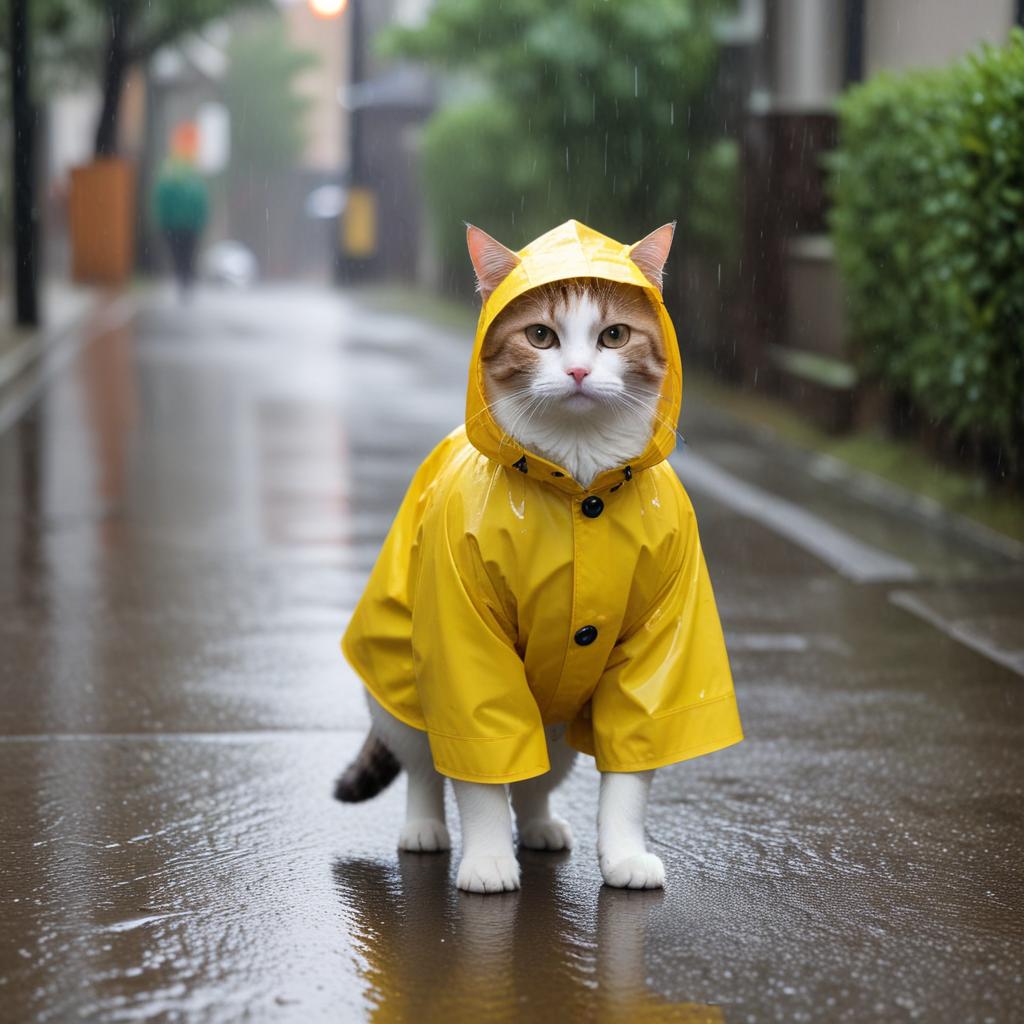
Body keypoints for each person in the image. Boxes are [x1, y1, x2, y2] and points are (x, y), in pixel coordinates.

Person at [154, 124, 209, 296]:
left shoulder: (171, 171)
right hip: (185, 223)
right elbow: (200, 199)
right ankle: (185, 277)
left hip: (176, 223)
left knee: (180, 253)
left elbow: (162, 197)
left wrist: (162, 219)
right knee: (186, 252)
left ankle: (184, 277)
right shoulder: (191, 173)